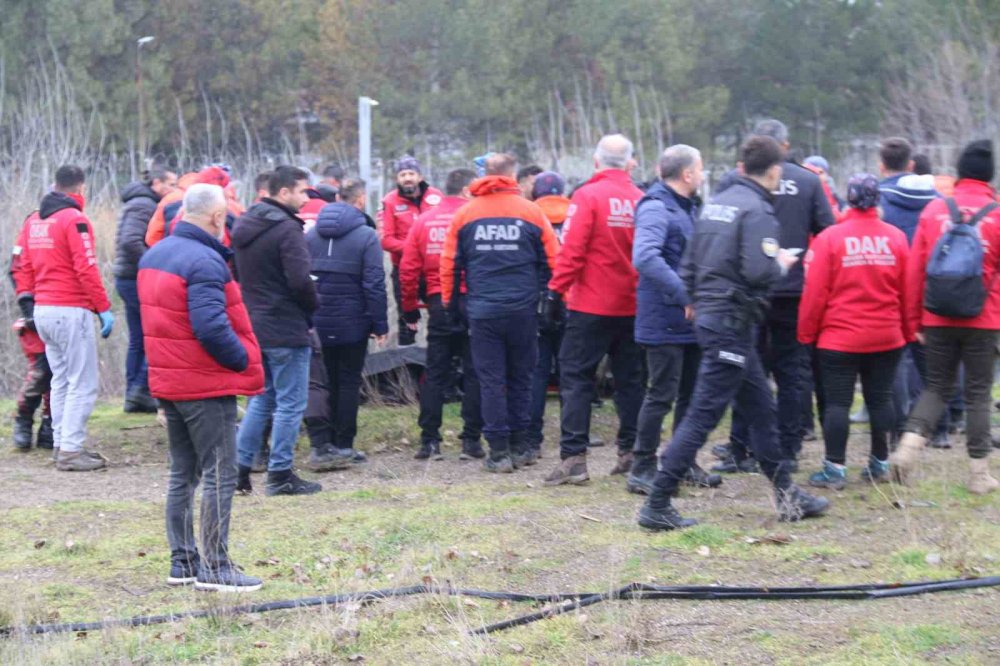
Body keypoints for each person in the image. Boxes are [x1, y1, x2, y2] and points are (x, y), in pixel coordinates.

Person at [637, 136, 830, 530]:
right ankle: (657, 503)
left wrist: (699, 300)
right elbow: (760, 273)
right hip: (731, 323)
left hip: (715, 317)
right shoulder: (758, 210)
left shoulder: (716, 205)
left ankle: (787, 495)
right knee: (703, 415)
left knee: (761, 409)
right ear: (774, 171)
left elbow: (689, 262)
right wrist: (782, 264)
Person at [138, 183, 265, 592]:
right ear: (215, 217)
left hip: (168, 380)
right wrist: (241, 359)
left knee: (182, 474)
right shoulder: (206, 261)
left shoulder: (154, 255)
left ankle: (183, 562)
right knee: (218, 473)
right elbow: (211, 326)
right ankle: (216, 565)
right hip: (203, 384)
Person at [722, 120, 835, 471]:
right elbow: (828, 233)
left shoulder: (734, 181)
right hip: (791, 288)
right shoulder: (807, 180)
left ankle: (740, 447)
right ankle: (788, 447)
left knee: (744, 365)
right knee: (791, 370)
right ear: (784, 146)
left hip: (750, 288)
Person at [440, 153, 559, 472]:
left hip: (483, 312)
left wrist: (450, 305)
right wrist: (551, 301)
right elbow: (554, 261)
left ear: (483, 175)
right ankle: (522, 445)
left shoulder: (465, 214)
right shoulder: (531, 212)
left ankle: (498, 452)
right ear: (513, 176)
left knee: (490, 379)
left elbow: (449, 264)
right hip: (523, 310)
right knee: (522, 377)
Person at [894, 140, 1000, 495]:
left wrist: (913, 321)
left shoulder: (935, 210)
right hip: (984, 319)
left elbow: (914, 272)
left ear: (958, 171)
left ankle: (907, 450)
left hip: (936, 317)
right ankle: (978, 474)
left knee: (937, 387)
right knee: (978, 393)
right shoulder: (997, 213)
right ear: (990, 175)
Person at [542, 134, 645, 486]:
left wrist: (555, 292)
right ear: (629, 162)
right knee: (631, 381)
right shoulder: (641, 198)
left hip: (591, 304)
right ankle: (631, 452)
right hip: (633, 303)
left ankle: (574, 458)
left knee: (575, 377)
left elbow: (573, 250)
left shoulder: (587, 195)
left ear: (596, 161)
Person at [797, 174, 910, 489]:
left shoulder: (830, 239)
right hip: (886, 335)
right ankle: (879, 462)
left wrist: (807, 333)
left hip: (839, 338)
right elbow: (907, 290)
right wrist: (907, 329)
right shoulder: (896, 238)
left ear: (849, 198)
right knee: (880, 399)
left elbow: (815, 293)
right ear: (877, 200)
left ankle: (835, 467)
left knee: (837, 404)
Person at [628, 144, 720, 495]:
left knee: (691, 395)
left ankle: (682, 462)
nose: (703, 174)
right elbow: (645, 257)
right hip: (664, 318)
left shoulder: (690, 207)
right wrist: (685, 295)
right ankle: (643, 467)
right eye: (700, 168)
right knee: (661, 395)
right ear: (687, 174)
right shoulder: (656, 208)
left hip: (692, 321)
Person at [15, 165, 115, 471]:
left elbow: (24, 267)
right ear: (80, 189)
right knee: (82, 383)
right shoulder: (74, 219)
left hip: (44, 311)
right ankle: (71, 451)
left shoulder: (34, 221)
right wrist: (103, 307)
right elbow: (86, 267)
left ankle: (61, 443)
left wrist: (29, 307)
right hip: (71, 310)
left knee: (59, 380)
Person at [232, 166, 320, 497]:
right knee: (291, 402)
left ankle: (240, 469)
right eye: (302, 191)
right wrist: (313, 304)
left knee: (263, 397)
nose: (306, 197)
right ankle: (280, 473)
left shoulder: (245, 225)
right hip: (286, 324)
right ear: (284, 192)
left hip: (256, 323)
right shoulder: (287, 229)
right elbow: (300, 279)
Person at [400, 168, 484, 460]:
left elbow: (408, 270)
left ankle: (430, 440)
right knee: (475, 370)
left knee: (435, 371)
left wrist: (409, 308)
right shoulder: (475, 216)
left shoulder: (424, 220)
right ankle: (471, 440)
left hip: (438, 303)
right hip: (473, 300)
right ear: (466, 190)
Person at [307, 180, 389, 461]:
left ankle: (323, 443)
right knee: (348, 382)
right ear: (361, 200)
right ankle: (344, 444)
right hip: (353, 324)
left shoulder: (309, 235)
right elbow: (375, 284)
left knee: (321, 382)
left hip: (317, 323)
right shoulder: (366, 236)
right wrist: (380, 324)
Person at [113, 165, 178, 414]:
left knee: (139, 338)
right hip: (135, 277)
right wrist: (154, 264)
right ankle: (140, 389)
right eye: (170, 184)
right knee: (153, 334)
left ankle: (134, 395)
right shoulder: (144, 204)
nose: (173, 190)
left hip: (128, 276)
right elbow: (131, 240)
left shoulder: (139, 202)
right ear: (157, 184)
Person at [526, 171, 571, 455]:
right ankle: (574, 436)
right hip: (570, 299)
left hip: (536, 299)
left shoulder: (528, 214)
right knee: (572, 372)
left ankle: (533, 439)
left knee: (537, 372)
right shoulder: (575, 213)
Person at [379, 155, 443, 346]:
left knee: (441, 317)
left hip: (434, 270)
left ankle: (441, 362)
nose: (407, 178)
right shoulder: (389, 201)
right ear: (397, 179)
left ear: (420, 176)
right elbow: (386, 240)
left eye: (411, 173)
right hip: (404, 270)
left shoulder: (437, 197)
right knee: (406, 320)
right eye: (403, 174)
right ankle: (406, 369)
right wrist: (414, 249)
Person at [9, 214, 53, 452]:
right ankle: (23, 419)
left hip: (60, 307)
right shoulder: (33, 226)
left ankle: (50, 425)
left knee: (59, 374)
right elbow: (16, 271)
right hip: (36, 309)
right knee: (41, 371)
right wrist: (28, 308)